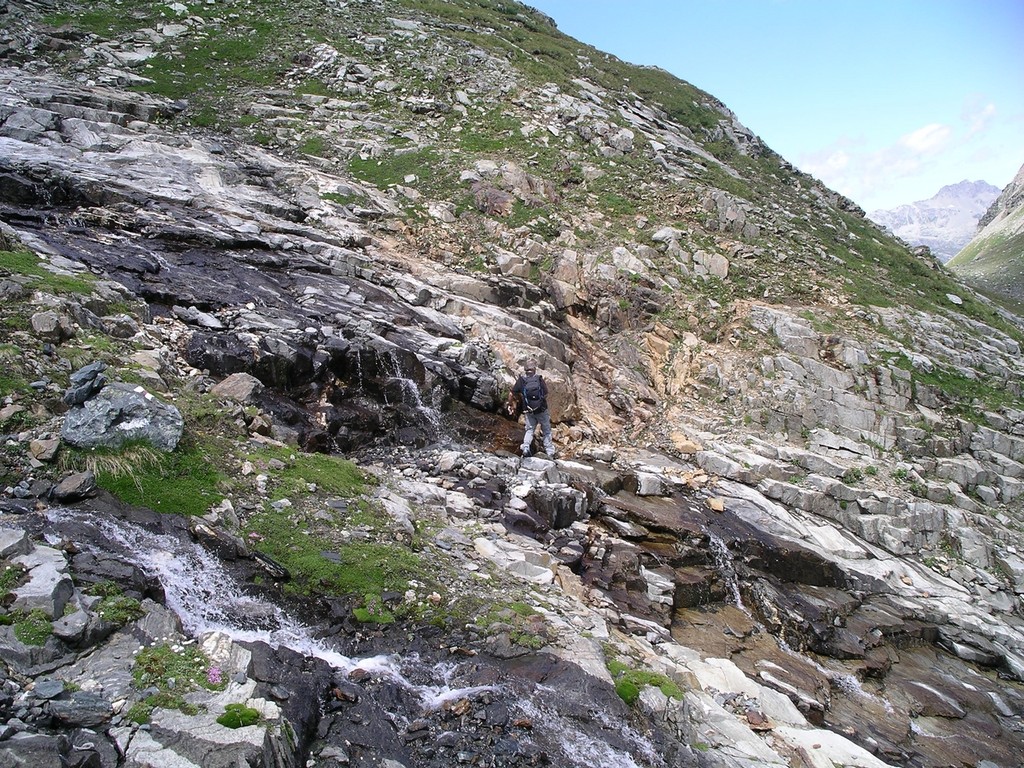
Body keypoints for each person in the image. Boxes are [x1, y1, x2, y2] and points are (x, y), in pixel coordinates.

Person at [512, 359, 555, 459]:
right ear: (534, 369)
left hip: (528, 410)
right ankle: (549, 451)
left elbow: (513, 392)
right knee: (546, 430)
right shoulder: (539, 379)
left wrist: (512, 403)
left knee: (530, 430)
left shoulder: (522, 380)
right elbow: (546, 393)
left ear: (525, 369)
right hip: (541, 409)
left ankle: (526, 448)